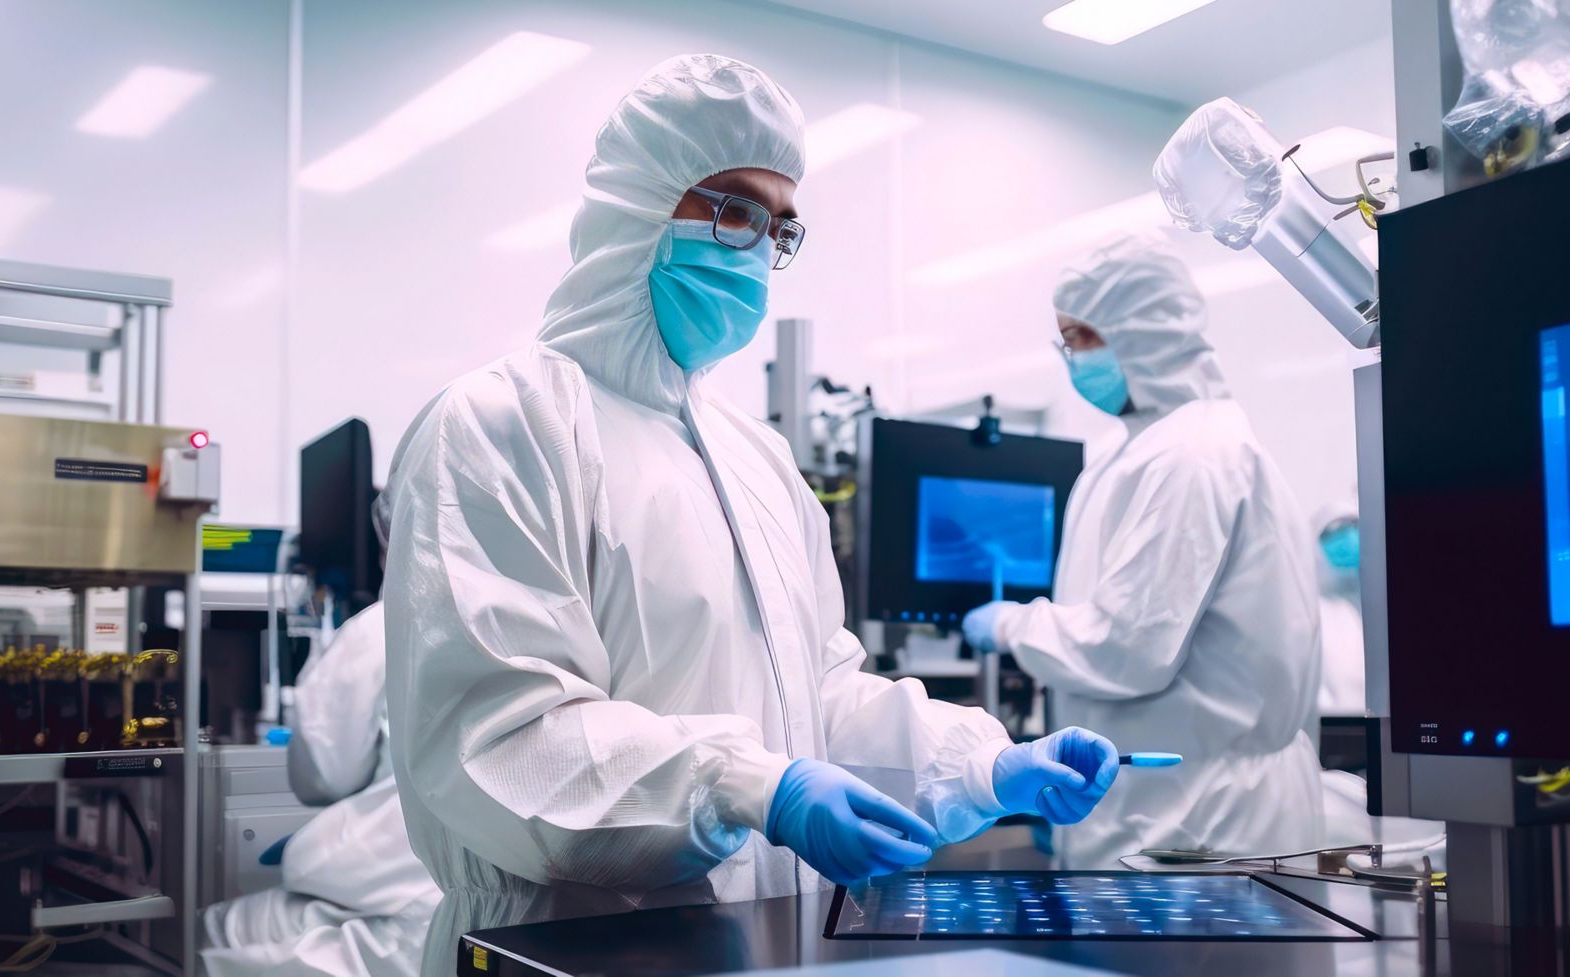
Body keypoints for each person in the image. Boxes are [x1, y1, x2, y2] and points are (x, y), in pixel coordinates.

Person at [380, 54, 1119, 969]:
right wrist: (747, 785)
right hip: (557, 941)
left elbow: (822, 698)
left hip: (756, 939)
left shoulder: (756, 459)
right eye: (732, 208)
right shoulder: (503, 424)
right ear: (637, 207)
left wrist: (982, 762)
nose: (757, 249)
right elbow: (506, 739)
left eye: (779, 227)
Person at [961, 235, 1325, 868]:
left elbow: (1128, 648)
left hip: (1200, 820)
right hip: (1163, 807)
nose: (1071, 357)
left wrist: (1014, 626)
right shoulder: (1148, 447)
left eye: (1081, 338)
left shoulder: (1190, 455)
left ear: (1142, 333)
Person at [201, 494, 440, 976]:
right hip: (509, 921)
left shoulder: (385, 626)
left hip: (400, 916)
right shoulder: (553, 624)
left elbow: (321, 778)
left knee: (210, 932)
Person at [1312, 501, 1367, 717]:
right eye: (1336, 530)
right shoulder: (1309, 611)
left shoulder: (1374, 609)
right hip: (1328, 729)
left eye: (1355, 526)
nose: (1350, 537)